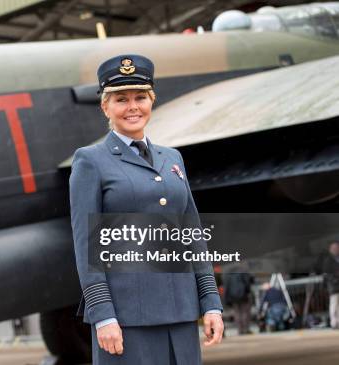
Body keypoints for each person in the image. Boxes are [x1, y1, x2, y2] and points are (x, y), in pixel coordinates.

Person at [70, 54, 224, 365]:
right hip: (127, 319)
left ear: (151, 101)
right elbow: (87, 245)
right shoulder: (91, 161)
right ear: (105, 107)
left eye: (140, 97)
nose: (132, 107)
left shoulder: (172, 159)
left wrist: (211, 303)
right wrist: (103, 316)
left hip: (181, 313)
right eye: (121, 99)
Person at [223, 270, 254, 334]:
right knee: (245, 312)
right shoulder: (243, 273)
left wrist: (227, 299)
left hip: (234, 297)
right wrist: (248, 292)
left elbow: (227, 288)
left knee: (237, 313)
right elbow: (248, 284)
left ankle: (240, 330)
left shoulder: (229, 276)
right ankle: (246, 329)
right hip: (244, 296)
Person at [323, 241, 339, 329]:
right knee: (334, 305)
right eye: (334, 248)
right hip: (333, 286)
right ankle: (334, 323)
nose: (336, 250)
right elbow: (326, 274)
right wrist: (335, 278)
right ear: (330, 250)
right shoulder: (328, 260)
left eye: (337, 248)